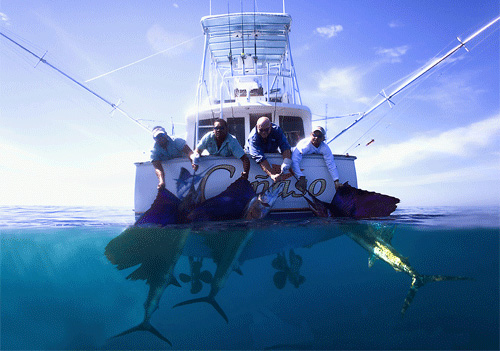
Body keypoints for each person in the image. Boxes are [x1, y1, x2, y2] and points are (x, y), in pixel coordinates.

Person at [292, 126, 342, 192]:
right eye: (314, 135)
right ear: (310, 135)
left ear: (323, 138)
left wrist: (336, 180)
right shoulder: (304, 145)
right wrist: (300, 176)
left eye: (319, 136)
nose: (316, 138)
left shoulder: (325, 148)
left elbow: (331, 164)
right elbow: (294, 160)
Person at [245, 116, 291, 182]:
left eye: (266, 130)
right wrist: (272, 175)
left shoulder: (277, 130)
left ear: (271, 126)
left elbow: (285, 147)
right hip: (255, 155)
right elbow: (260, 159)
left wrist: (286, 162)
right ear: (256, 127)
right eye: (261, 130)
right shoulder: (253, 138)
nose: (264, 132)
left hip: (270, 150)